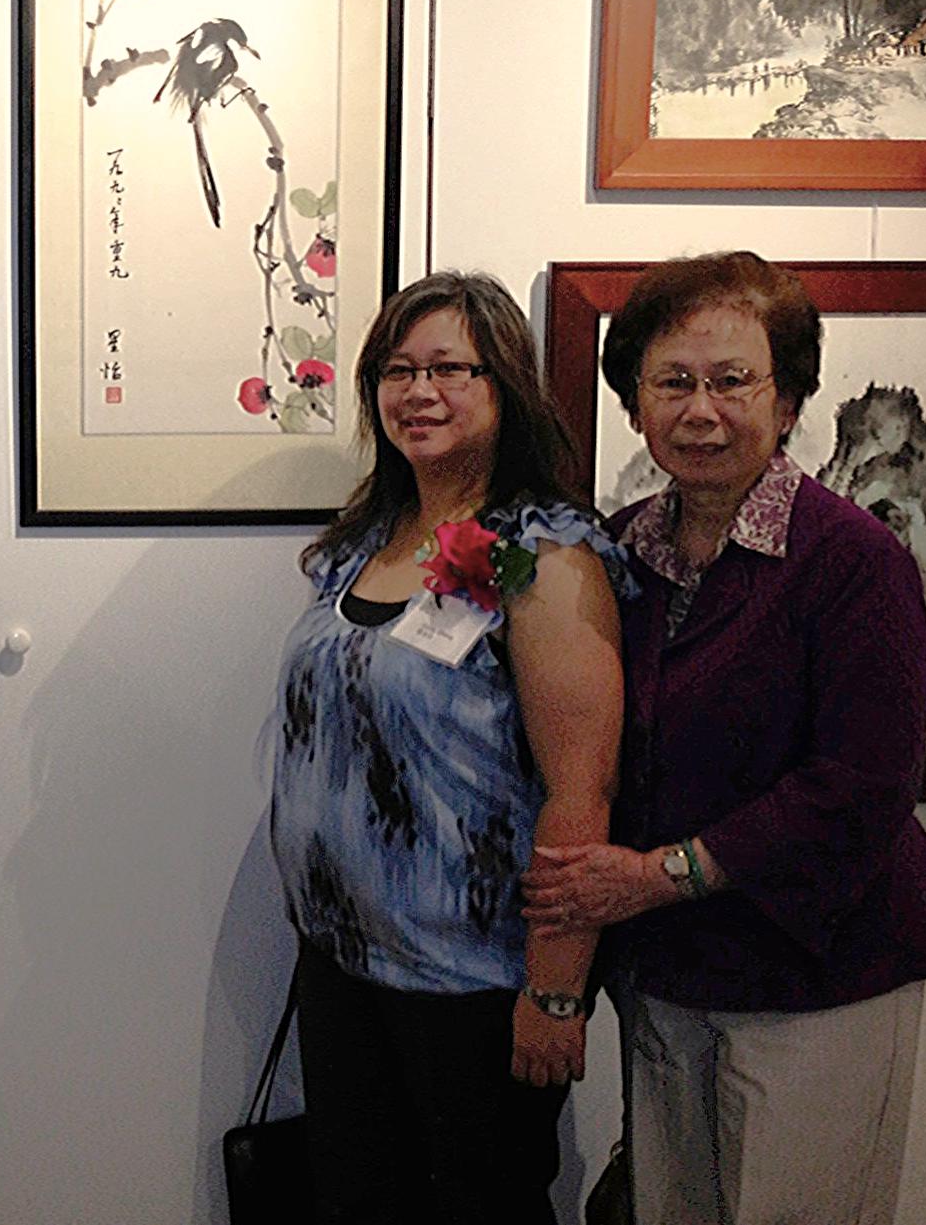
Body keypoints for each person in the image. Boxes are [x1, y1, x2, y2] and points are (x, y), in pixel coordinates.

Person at [523, 252, 926, 1225]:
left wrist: (657, 876)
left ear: (787, 400)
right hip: (672, 977)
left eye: (732, 381)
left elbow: (859, 785)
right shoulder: (619, 551)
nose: (701, 411)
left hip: (821, 973)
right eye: (672, 382)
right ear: (634, 402)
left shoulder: (851, 559)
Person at [270, 270, 625, 1225]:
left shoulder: (540, 555)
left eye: (448, 369)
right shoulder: (369, 540)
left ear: (505, 384)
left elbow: (581, 789)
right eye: (396, 370)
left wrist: (556, 993)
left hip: (470, 987)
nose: (417, 392)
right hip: (345, 967)